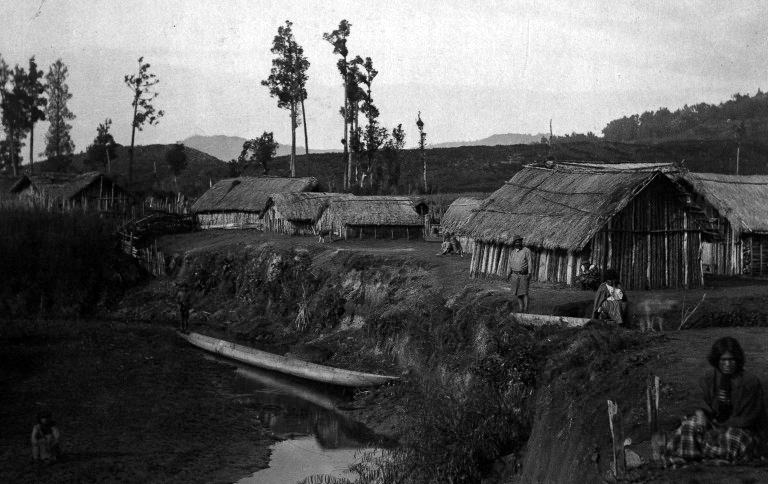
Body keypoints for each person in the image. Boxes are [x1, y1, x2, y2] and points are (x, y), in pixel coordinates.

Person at [659, 337, 766, 466]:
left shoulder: (750, 382)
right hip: (714, 424)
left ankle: (715, 459)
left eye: (731, 360)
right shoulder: (709, 377)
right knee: (688, 426)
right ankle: (694, 458)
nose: (727, 364)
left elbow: (748, 417)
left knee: (732, 438)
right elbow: (699, 398)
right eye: (723, 360)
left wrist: (719, 431)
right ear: (717, 360)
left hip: (741, 428)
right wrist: (700, 413)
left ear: (737, 360)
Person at [505, 235, 533, 313]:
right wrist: (508, 274)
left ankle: (526, 310)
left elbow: (530, 262)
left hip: (524, 274)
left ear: (521, 242)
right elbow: (510, 264)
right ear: (514, 243)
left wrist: (529, 273)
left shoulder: (526, 250)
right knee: (518, 293)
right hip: (514, 275)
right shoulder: (512, 252)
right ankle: (521, 308)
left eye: (519, 241)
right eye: (516, 242)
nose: (518, 243)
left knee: (524, 292)